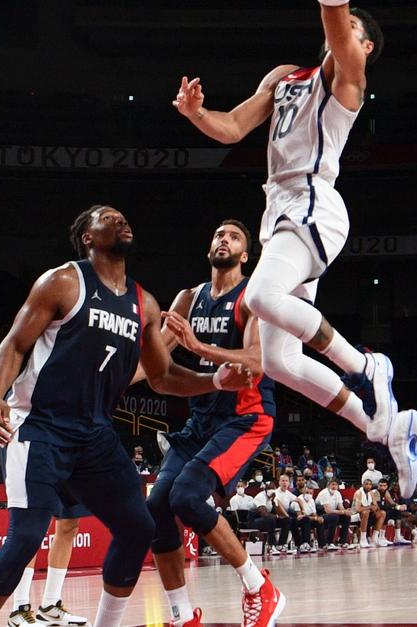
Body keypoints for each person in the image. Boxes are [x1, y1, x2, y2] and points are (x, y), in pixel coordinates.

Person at [172, 0, 417, 499]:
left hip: (313, 205)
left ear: (364, 48)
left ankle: (368, 366)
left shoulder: (349, 81)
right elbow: (232, 130)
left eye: (357, 36)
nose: (347, 37)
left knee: (256, 299)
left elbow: (333, 3)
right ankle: (384, 427)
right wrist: (198, 114)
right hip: (278, 210)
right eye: (347, 34)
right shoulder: (287, 76)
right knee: (279, 361)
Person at [0, 205, 260, 627]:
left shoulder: (145, 303)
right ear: (87, 237)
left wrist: (215, 382)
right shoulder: (64, 281)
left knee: (140, 528)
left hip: (95, 436)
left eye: (123, 217)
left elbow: (164, 376)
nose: (121, 220)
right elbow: (13, 345)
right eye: (107, 216)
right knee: (26, 538)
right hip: (39, 426)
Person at [145, 218, 282, 627]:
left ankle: (261, 588)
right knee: (156, 507)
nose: (223, 239)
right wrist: (106, 377)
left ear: (245, 254)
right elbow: (154, 362)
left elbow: (258, 362)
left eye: (233, 237)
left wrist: (200, 346)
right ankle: (183, 615)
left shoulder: (253, 297)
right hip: (201, 421)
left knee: (186, 497)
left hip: (246, 417)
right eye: (219, 233)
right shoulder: (189, 298)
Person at [315, 478, 352, 550]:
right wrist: (342, 512)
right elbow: (328, 510)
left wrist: (346, 511)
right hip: (320, 515)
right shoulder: (324, 493)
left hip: (332, 514)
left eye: (336, 485)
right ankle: (329, 542)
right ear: (328, 485)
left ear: (338, 486)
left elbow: (341, 507)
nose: (334, 486)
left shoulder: (337, 493)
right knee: (334, 517)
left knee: (346, 517)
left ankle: (342, 542)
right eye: (332, 484)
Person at [353, 478, 387, 547]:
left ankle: (374, 538)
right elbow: (357, 509)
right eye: (366, 484)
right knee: (365, 512)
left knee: (382, 513)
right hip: (355, 515)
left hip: (367, 513)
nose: (368, 486)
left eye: (370, 484)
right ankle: (363, 539)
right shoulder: (359, 493)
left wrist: (374, 509)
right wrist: (370, 507)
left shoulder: (371, 493)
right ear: (363, 485)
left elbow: (376, 506)